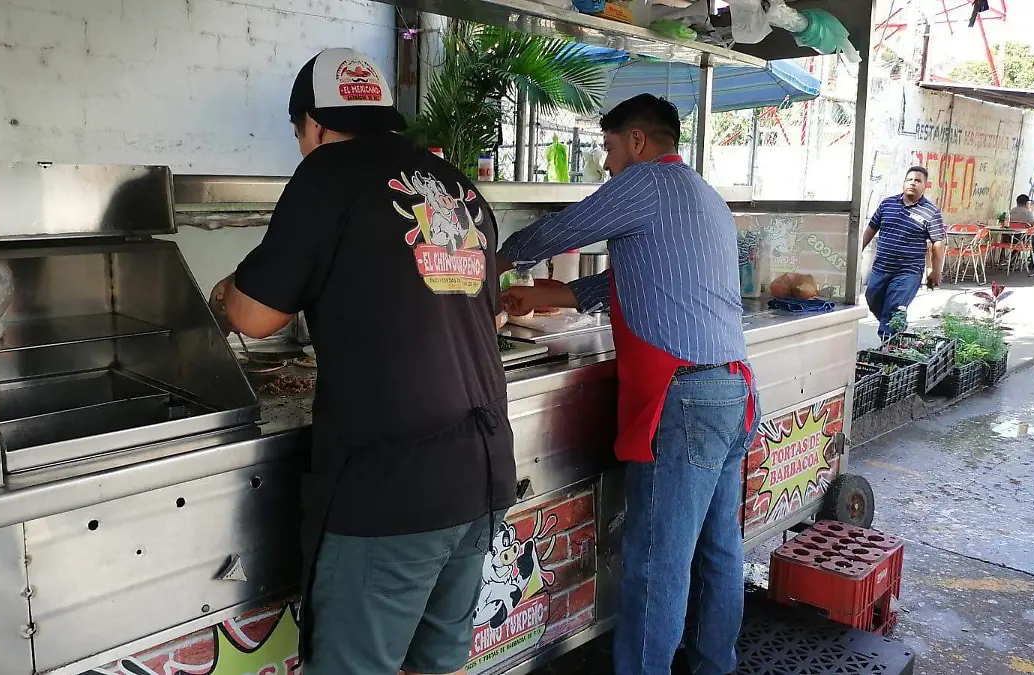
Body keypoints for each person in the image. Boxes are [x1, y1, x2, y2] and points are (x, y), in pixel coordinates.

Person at [208, 48, 515, 675]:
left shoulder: (326, 174)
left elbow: (254, 316)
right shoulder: (453, 183)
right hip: (481, 471)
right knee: (434, 665)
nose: (302, 145)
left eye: (298, 133)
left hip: (393, 483)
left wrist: (221, 295)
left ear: (315, 125)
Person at [498, 94, 758, 675]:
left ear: (637, 141)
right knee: (717, 549)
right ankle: (715, 665)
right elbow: (627, 281)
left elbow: (565, 228)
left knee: (656, 564)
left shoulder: (645, 182)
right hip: (731, 392)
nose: (608, 163)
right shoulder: (700, 193)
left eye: (610, 148)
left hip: (685, 401)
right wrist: (540, 295)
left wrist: (487, 261)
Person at [862, 166, 945, 337]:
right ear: (904, 182)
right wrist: (858, 251)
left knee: (894, 308)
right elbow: (871, 229)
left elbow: (937, 243)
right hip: (881, 268)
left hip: (908, 272)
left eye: (918, 181)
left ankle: (889, 344)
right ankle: (896, 329)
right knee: (872, 299)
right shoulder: (887, 204)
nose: (913, 183)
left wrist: (936, 271)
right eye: (910, 180)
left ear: (925, 186)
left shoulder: (931, 211)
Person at [1009, 193, 1034, 267]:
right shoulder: (1028, 213)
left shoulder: (1011, 211)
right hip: (1024, 239)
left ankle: (1012, 261)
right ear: (1027, 203)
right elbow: (1033, 225)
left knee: (1019, 243)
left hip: (1010, 238)